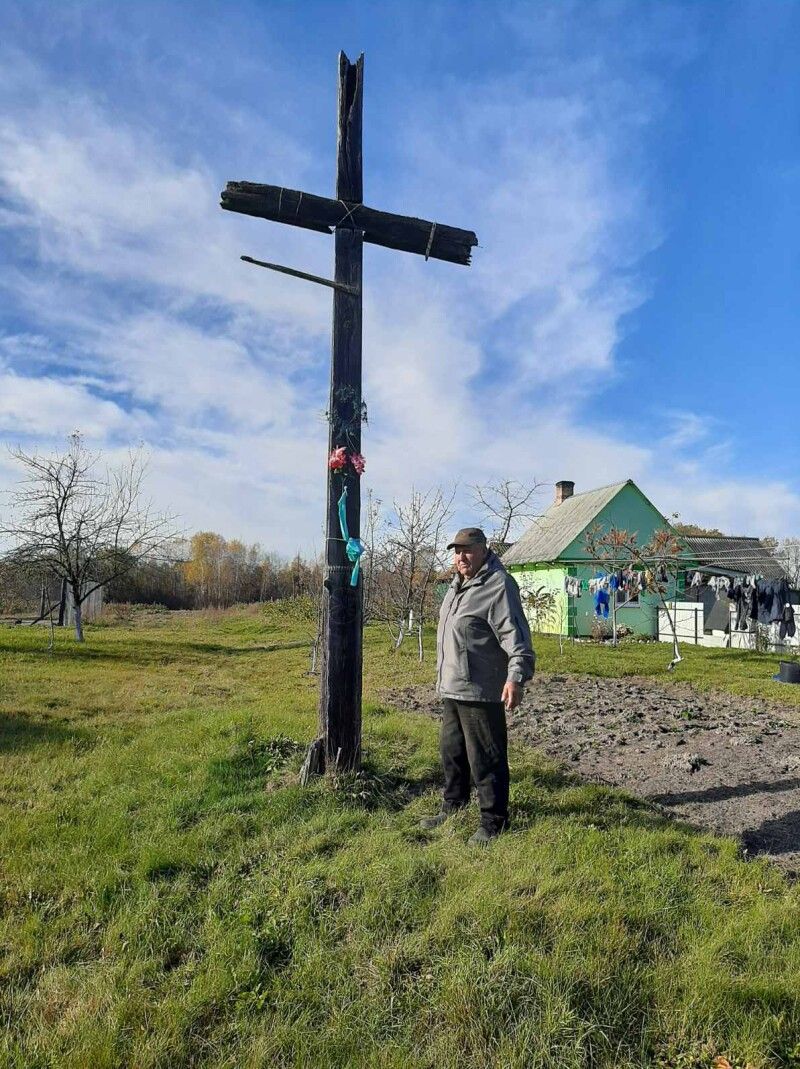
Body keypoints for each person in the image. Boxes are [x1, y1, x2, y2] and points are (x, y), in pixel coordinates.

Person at [421, 527, 535, 845]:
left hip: (481, 689)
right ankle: (453, 806)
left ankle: (493, 821)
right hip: (452, 686)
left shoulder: (498, 585)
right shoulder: (458, 586)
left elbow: (517, 637)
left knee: (486, 757)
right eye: (457, 551)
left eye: (468, 549)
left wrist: (516, 677)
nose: (461, 556)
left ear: (484, 549)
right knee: (452, 752)